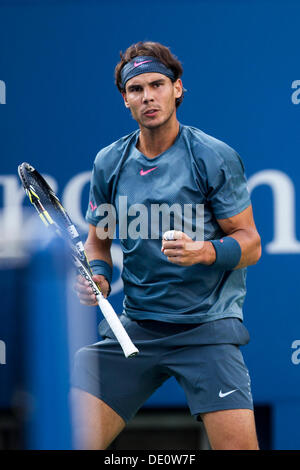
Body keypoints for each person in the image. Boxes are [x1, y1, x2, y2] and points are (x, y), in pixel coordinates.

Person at [71, 41, 261, 450]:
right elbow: (98, 243)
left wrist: (205, 252)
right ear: (126, 99)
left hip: (206, 328)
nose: (148, 96)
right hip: (135, 329)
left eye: (157, 84)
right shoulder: (110, 162)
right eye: (136, 89)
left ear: (177, 89)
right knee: (68, 441)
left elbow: (251, 243)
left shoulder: (212, 156)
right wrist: (99, 277)